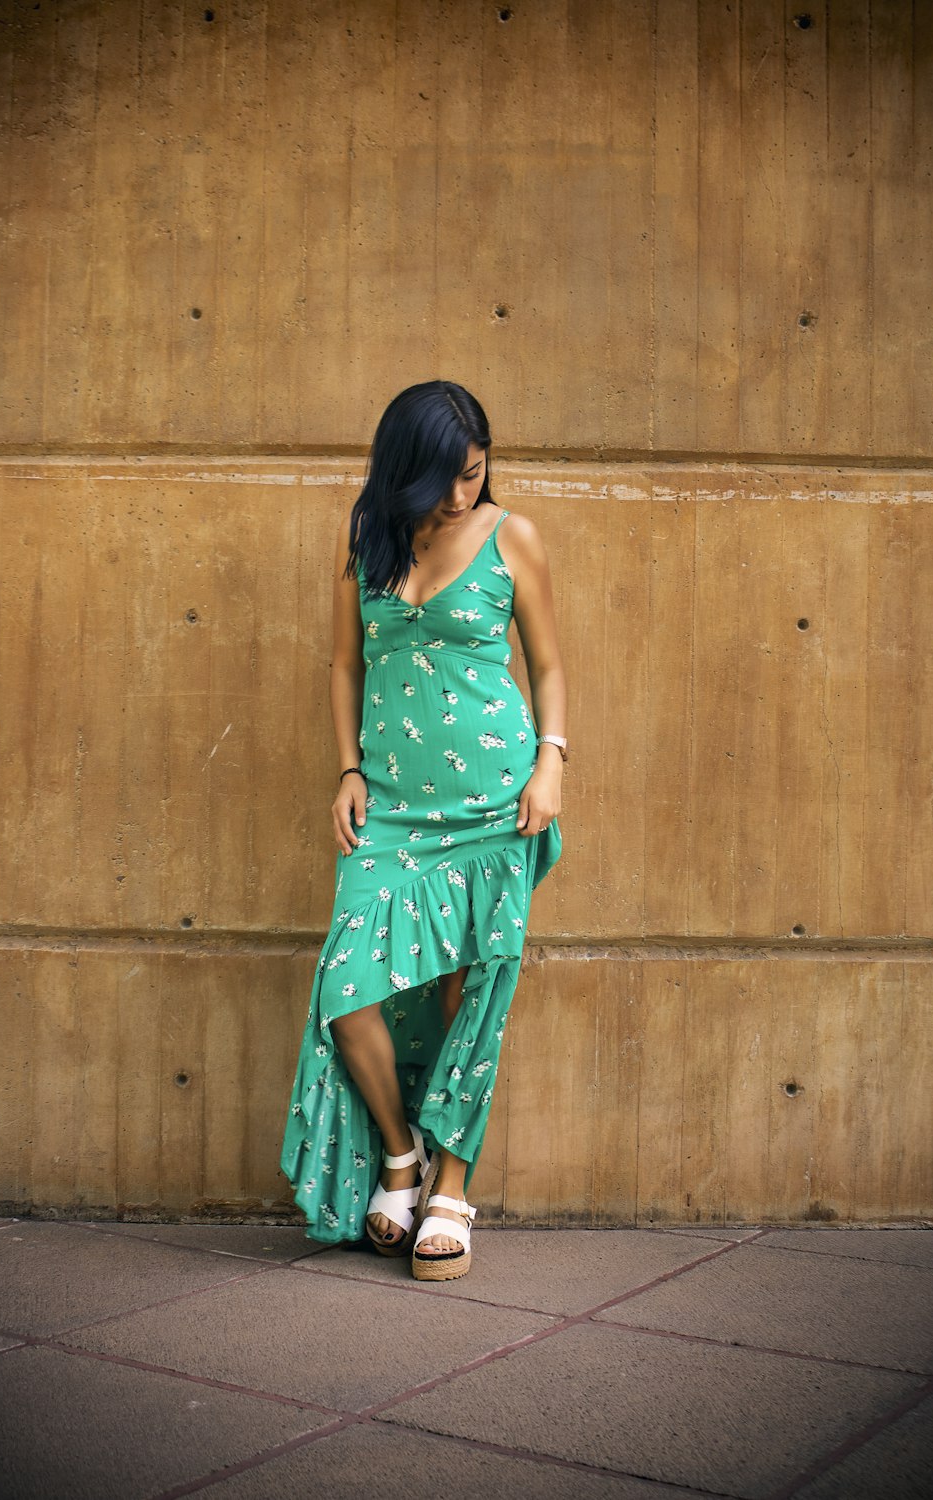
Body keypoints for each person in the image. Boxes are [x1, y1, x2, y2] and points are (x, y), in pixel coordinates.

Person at [280, 380, 566, 1281]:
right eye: (442, 479)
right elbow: (343, 664)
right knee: (348, 991)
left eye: (473, 475)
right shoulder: (365, 534)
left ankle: (450, 1189)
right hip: (395, 810)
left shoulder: (510, 536)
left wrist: (552, 760)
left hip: (492, 807)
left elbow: (550, 667)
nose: (458, 497)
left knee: (467, 996)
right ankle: (399, 1154)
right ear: (403, 472)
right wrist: (350, 770)